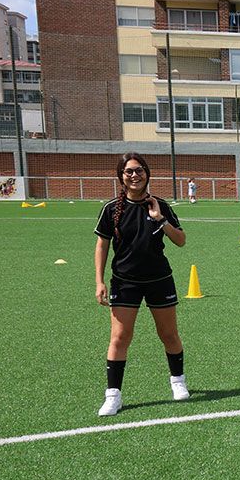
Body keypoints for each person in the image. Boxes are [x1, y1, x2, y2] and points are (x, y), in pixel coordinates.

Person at [94, 153, 189, 417]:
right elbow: (102, 245)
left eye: (139, 170)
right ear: (121, 177)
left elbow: (181, 240)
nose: (134, 176)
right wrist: (99, 281)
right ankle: (113, 396)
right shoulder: (111, 209)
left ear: (147, 173)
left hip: (159, 279)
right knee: (120, 337)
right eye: (128, 172)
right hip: (125, 282)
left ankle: (178, 381)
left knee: (168, 335)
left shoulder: (161, 206)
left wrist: (160, 219)